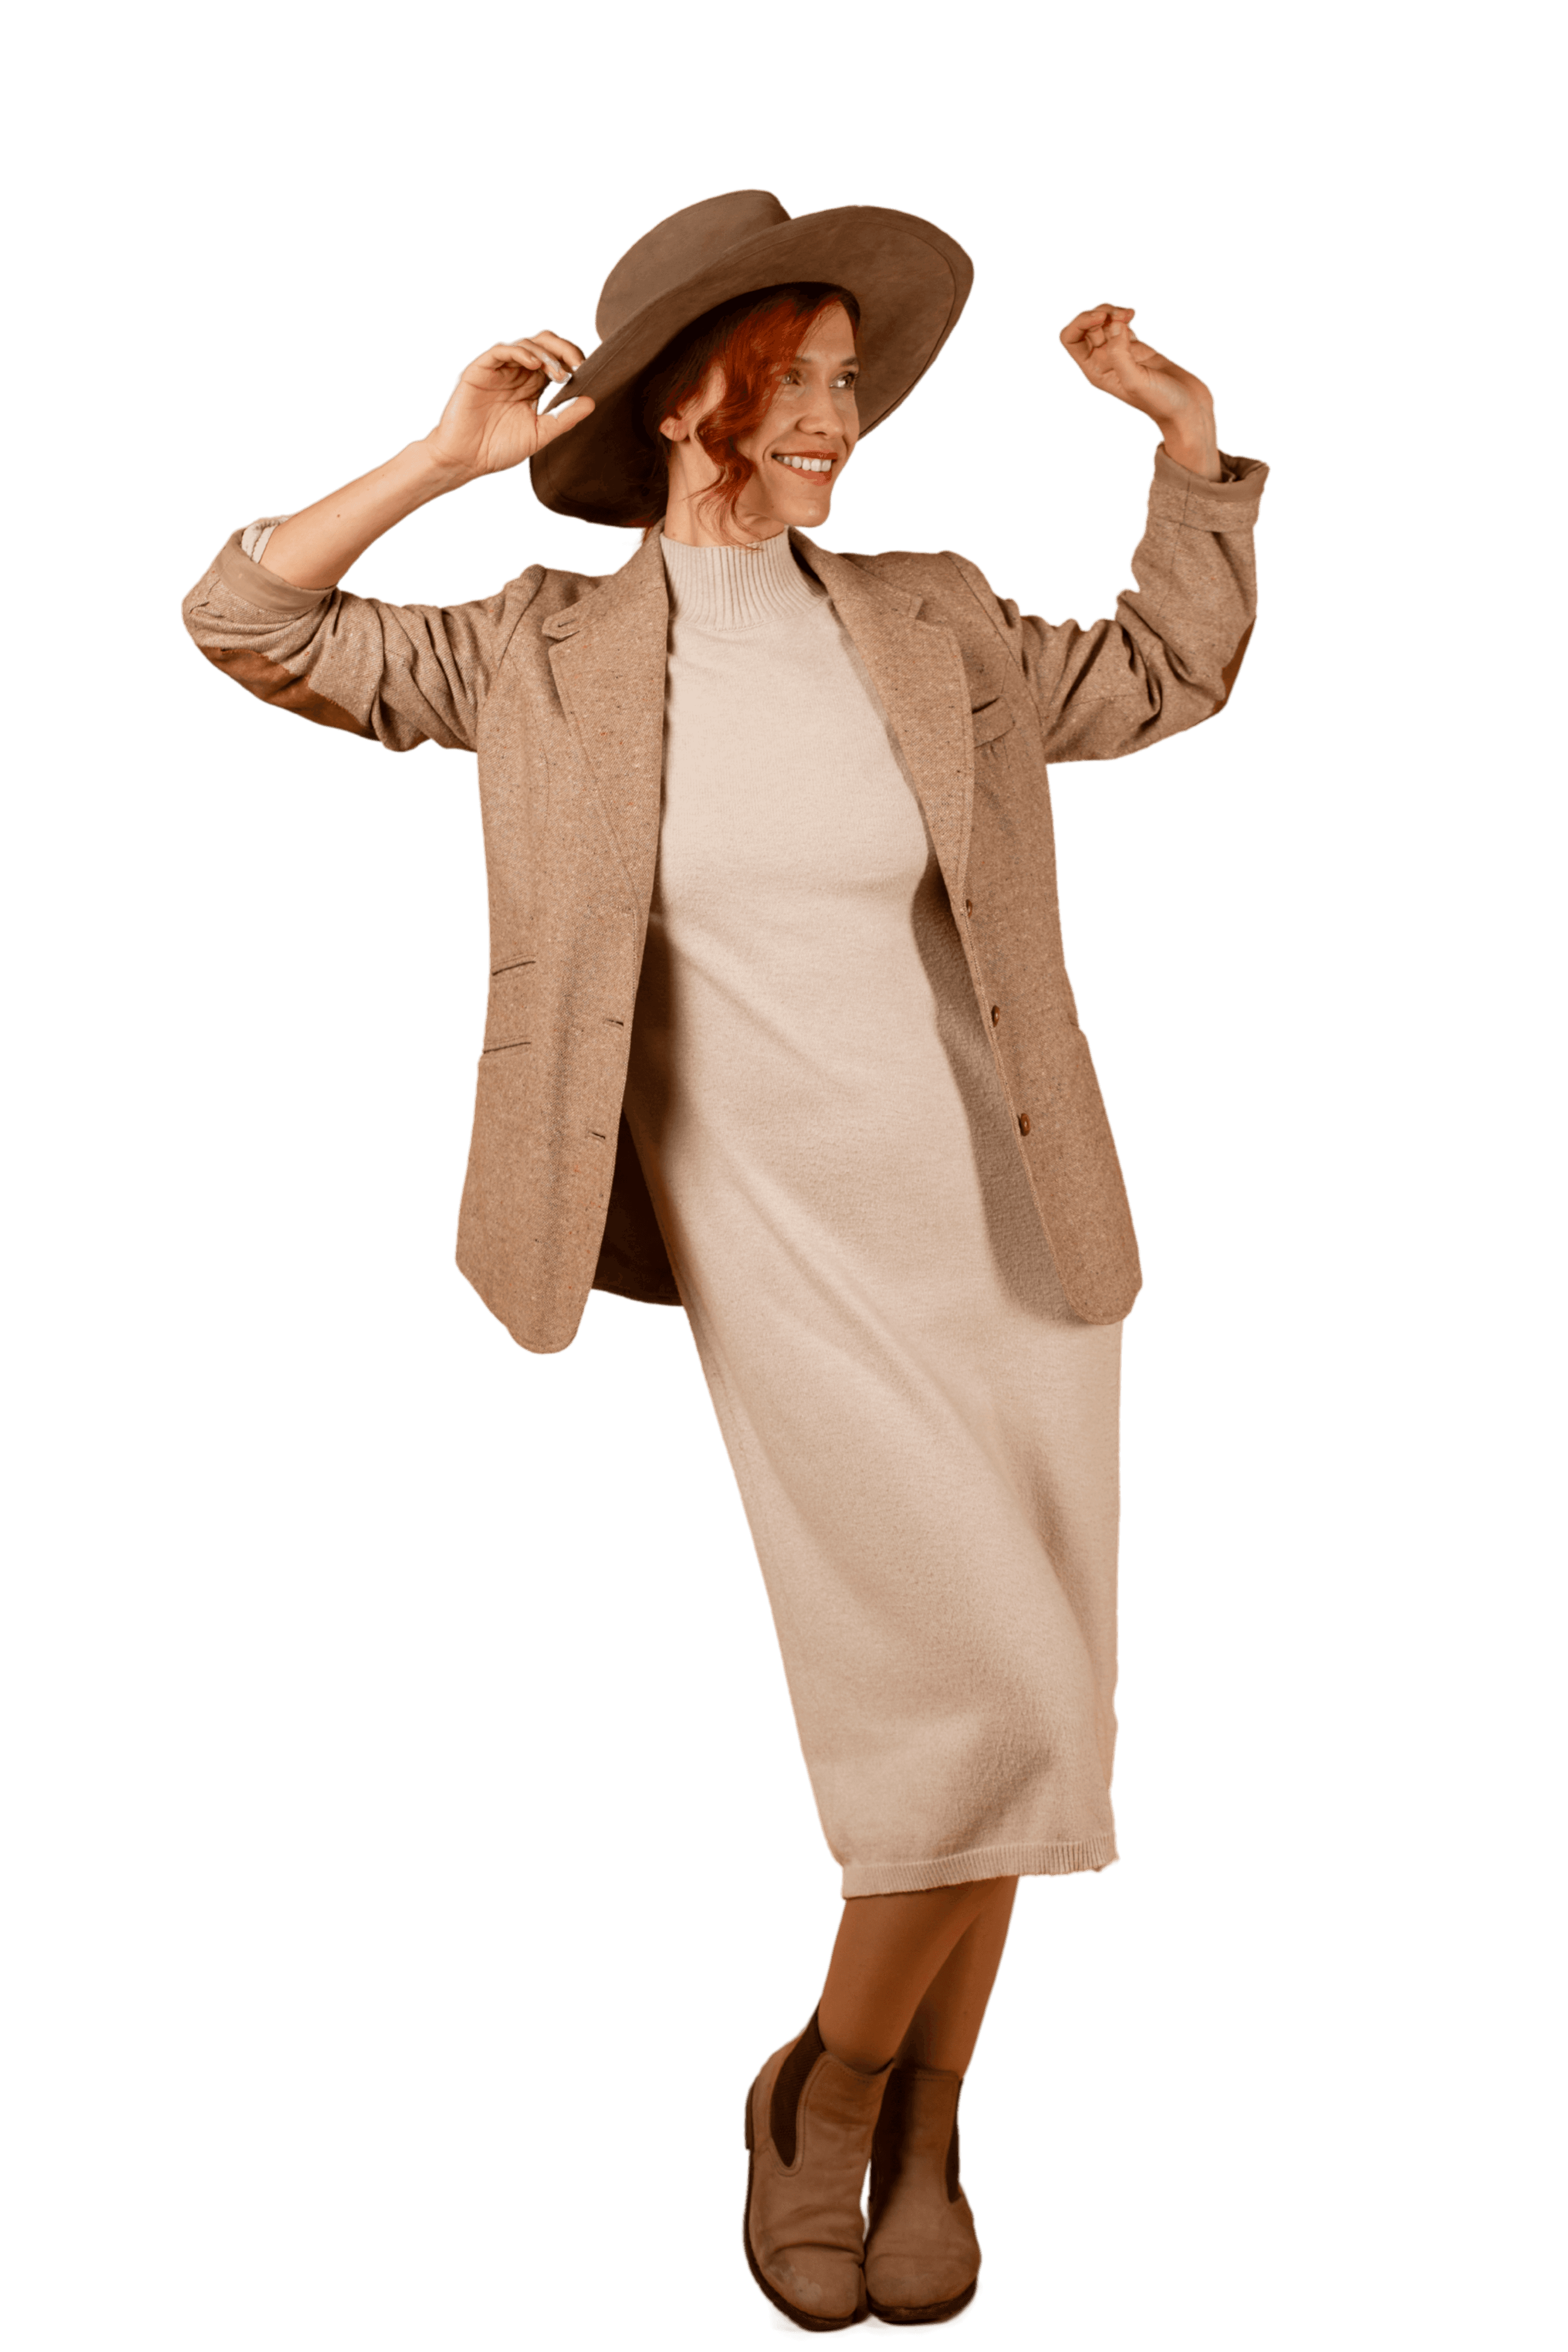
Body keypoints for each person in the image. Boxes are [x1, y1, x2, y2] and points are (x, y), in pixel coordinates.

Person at [181, 188, 1269, 2334]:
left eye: (853, 387)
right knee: (984, 1688)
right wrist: (440, 459)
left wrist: (1188, 450)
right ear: (691, 395)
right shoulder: (534, 653)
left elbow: (1161, 674)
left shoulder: (932, 612)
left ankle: (923, 2124)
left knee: (1037, 1702)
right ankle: (822, 2088)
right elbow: (248, 620)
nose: (839, 422)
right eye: (802, 382)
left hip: (1008, 1217)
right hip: (781, 1237)